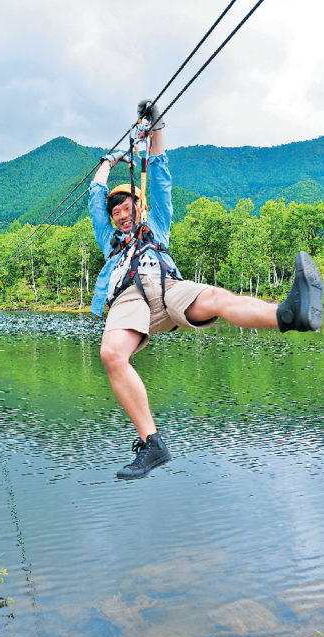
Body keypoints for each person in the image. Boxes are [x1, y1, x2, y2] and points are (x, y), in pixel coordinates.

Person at [88, 99, 323, 480]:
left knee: (217, 298)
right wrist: (109, 161)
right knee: (112, 354)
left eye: (126, 204)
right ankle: (152, 445)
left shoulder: (157, 223)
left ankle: (289, 314)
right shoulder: (109, 239)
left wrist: (157, 126)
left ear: (139, 204)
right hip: (128, 295)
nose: (120, 211)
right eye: (115, 209)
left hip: (165, 285)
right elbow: (93, 198)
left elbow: (160, 174)